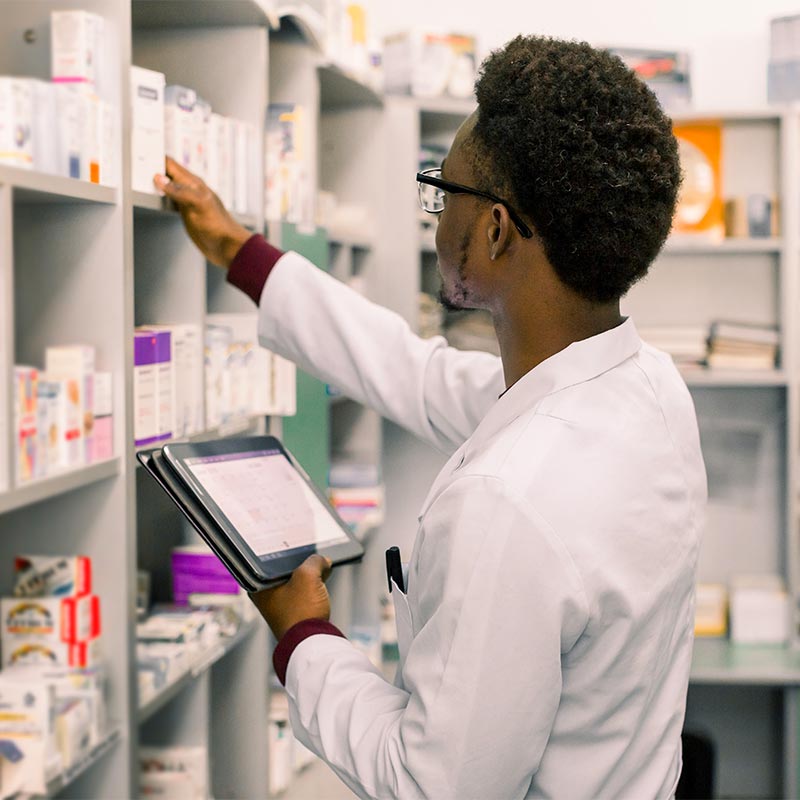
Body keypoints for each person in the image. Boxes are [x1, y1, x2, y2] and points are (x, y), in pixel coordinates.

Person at [155, 34, 706, 799]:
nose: (435, 214)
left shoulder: (511, 499)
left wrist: (303, 632)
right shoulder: (645, 389)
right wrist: (241, 253)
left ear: (495, 230)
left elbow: (432, 786)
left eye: (443, 192)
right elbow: (416, 374)